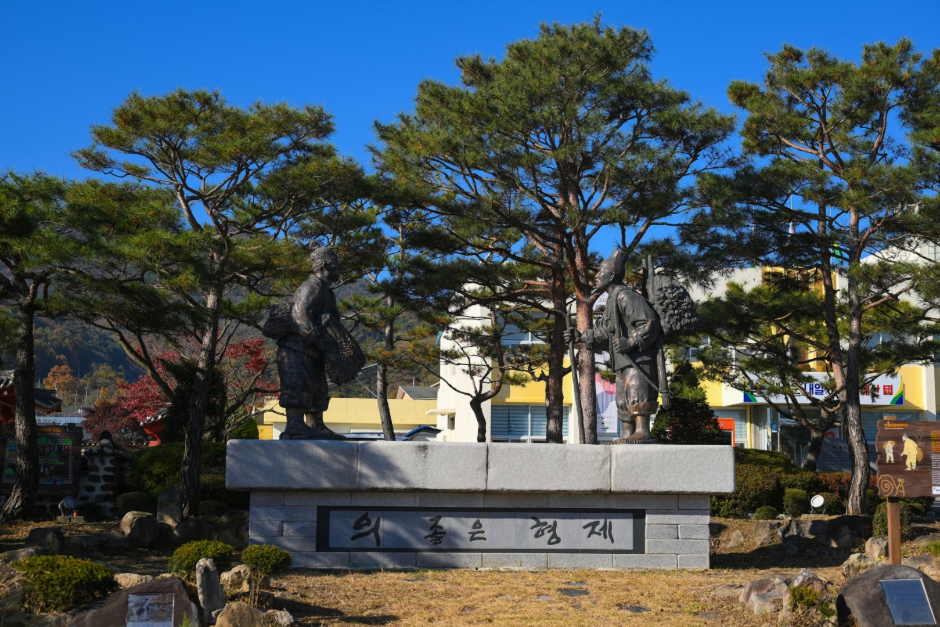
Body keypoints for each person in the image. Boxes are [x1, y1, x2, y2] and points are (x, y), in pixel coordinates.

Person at [565, 249, 663, 443]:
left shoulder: (626, 296)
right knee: (622, 398)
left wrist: (632, 341)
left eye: (600, 271)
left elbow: (650, 323)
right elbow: (605, 332)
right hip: (620, 361)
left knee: (637, 392)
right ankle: (627, 432)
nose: (596, 275)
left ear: (610, 275)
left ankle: (643, 431)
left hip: (637, 358)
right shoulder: (611, 300)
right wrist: (582, 337)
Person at [276, 245, 346, 440]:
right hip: (296, 347)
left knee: (318, 388)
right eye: (335, 263)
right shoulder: (313, 285)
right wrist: (314, 338)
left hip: (314, 350)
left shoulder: (328, 292)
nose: (339, 267)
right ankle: (295, 425)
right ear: (324, 265)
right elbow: (299, 312)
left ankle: (316, 423)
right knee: (298, 384)